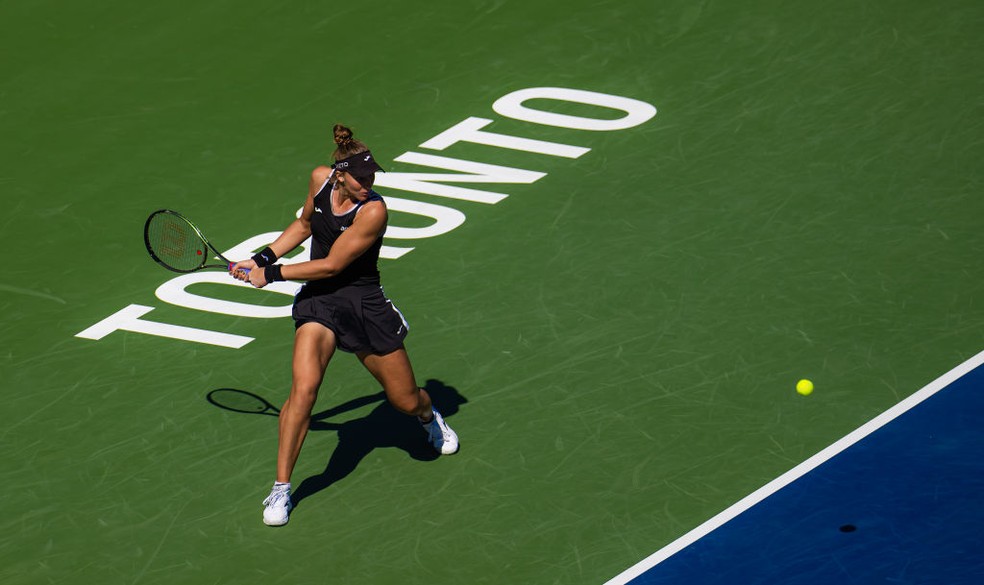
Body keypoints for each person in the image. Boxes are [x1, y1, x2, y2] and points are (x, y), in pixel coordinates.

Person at [231, 124, 459, 527]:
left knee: (404, 400)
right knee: (302, 392)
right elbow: (304, 225)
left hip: (363, 305)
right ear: (339, 174)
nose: (369, 184)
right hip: (320, 303)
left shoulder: (373, 210)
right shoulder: (320, 179)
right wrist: (261, 258)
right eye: (362, 177)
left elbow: (334, 264)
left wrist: (275, 274)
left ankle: (429, 416)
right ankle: (282, 488)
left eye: (372, 177)